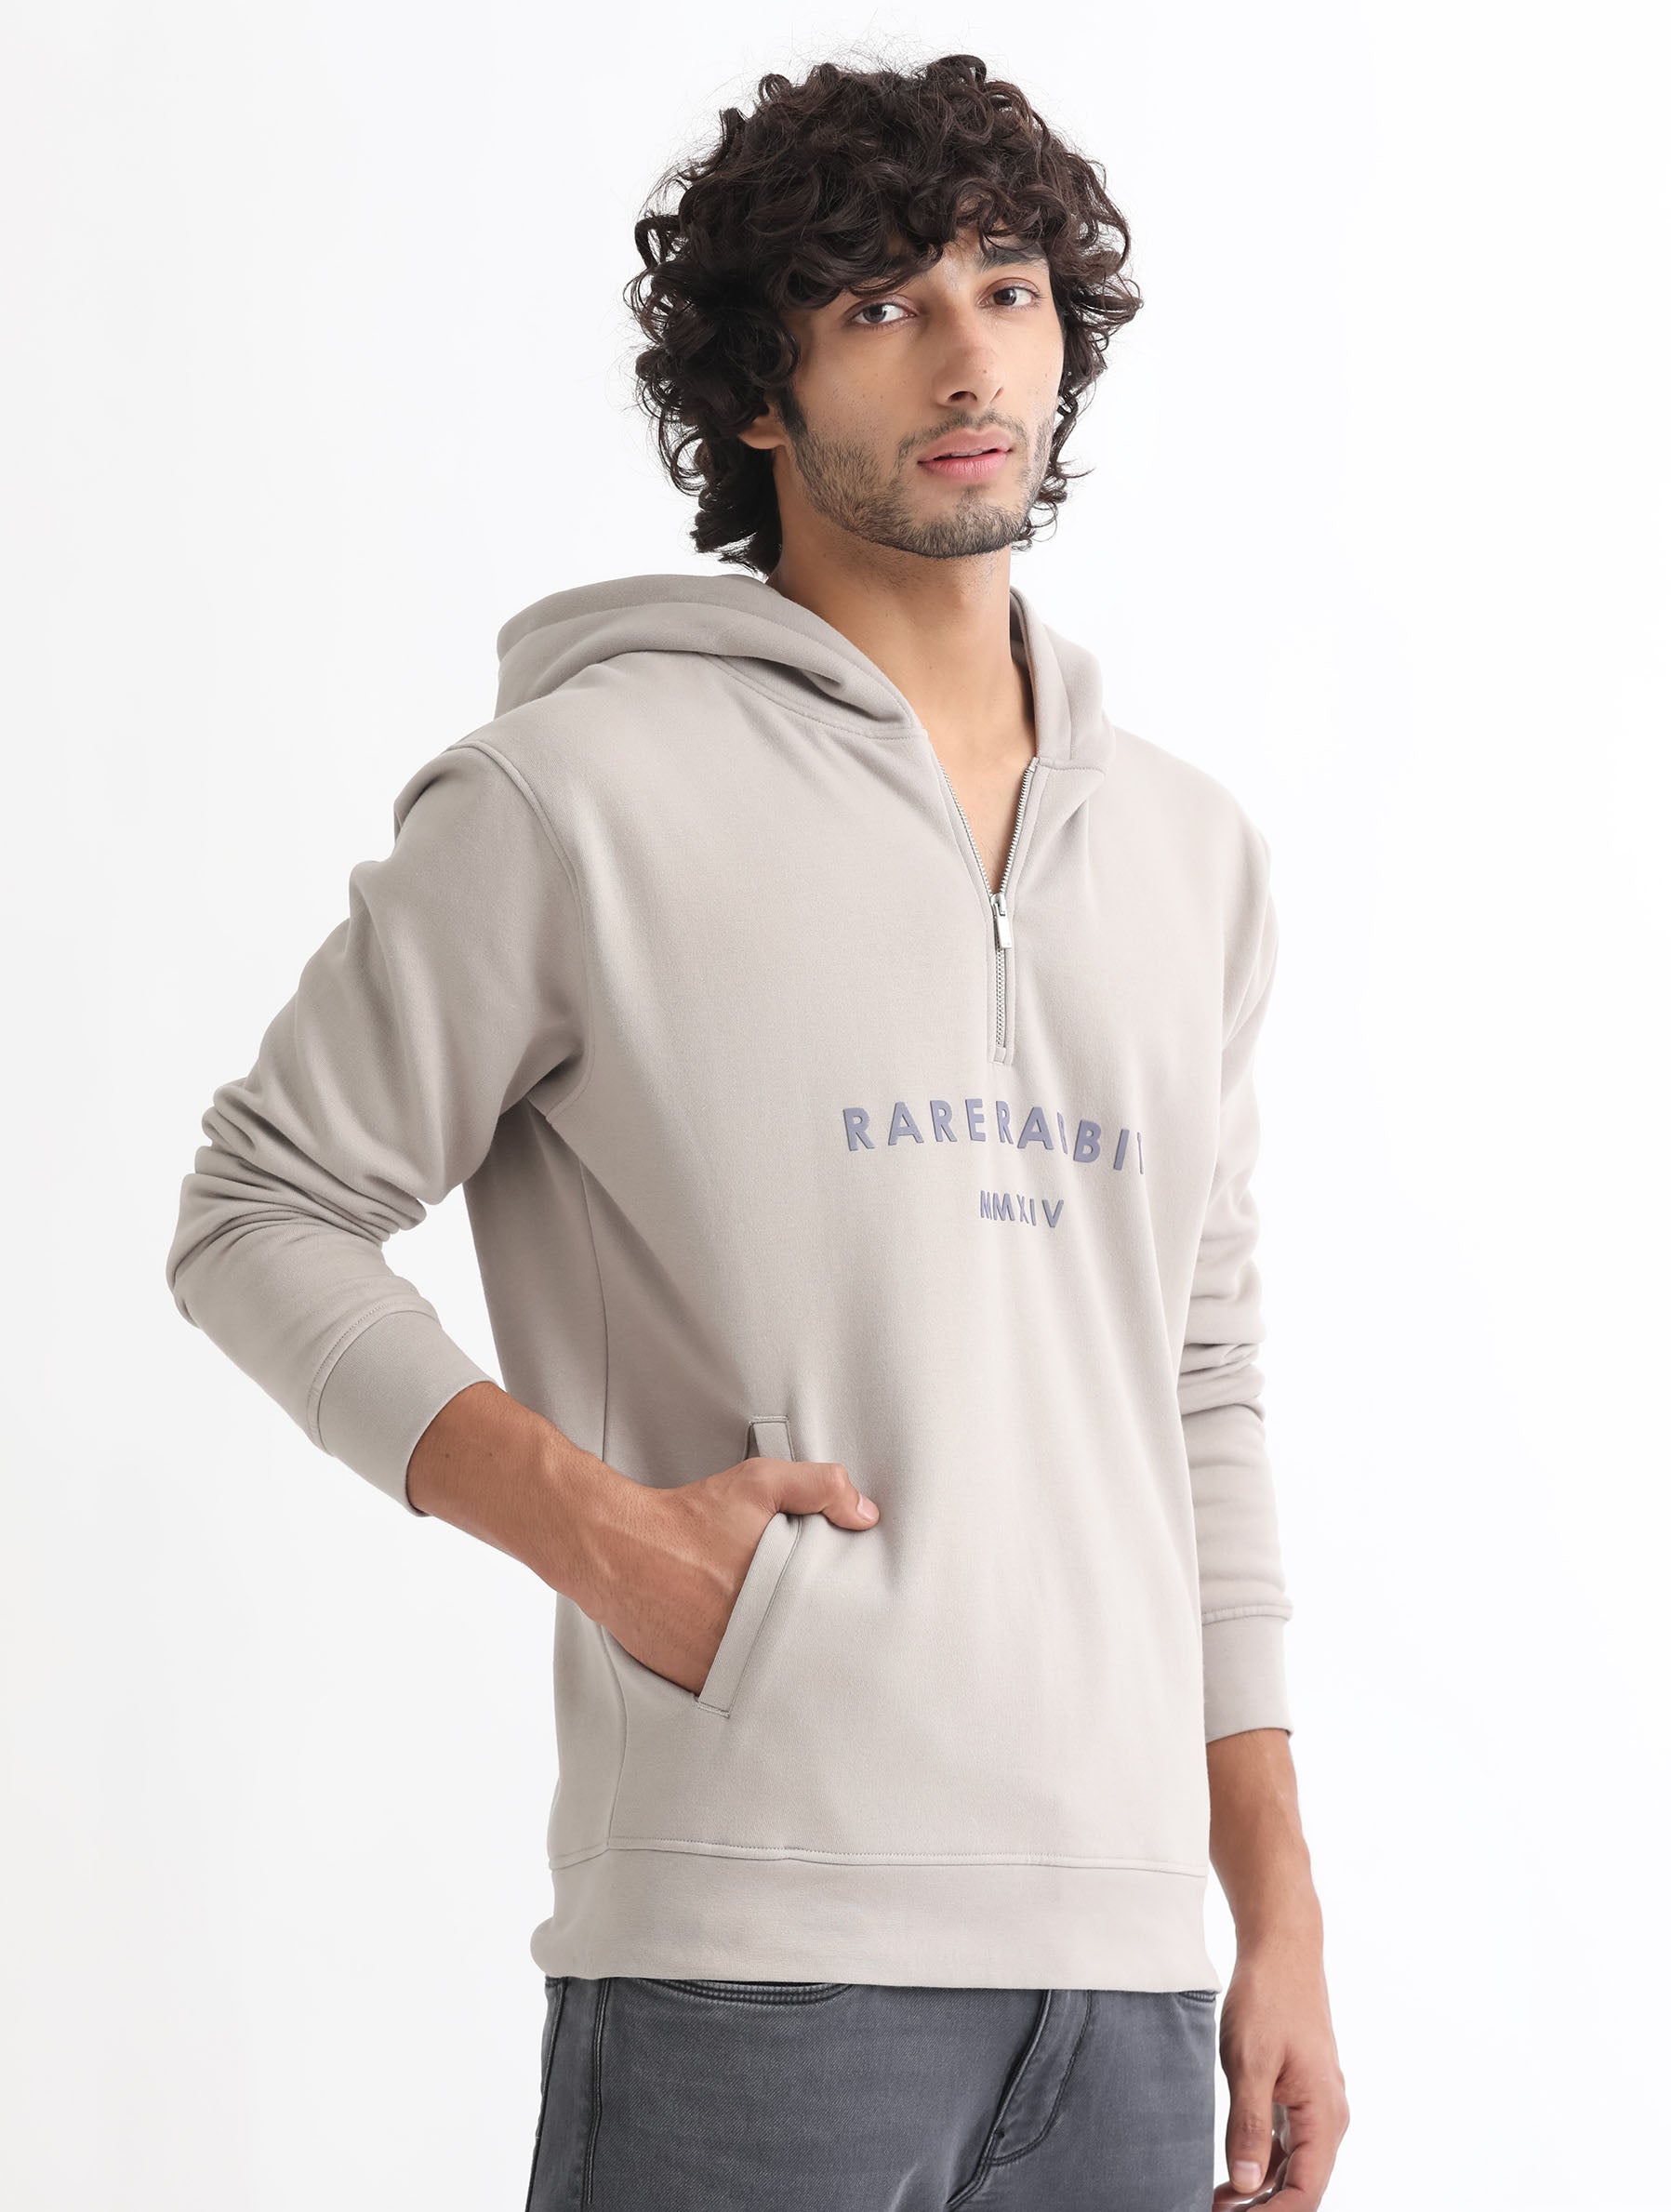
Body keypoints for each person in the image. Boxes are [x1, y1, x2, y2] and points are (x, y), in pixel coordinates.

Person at [166, 49, 1348, 2212]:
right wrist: (600, 1530)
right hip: (751, 1955)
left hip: (1127, 1983)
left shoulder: (1192, 857)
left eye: (1006, 287)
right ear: (761, 399)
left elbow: (1200, 1380)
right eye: (880, 305)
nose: (969, 356)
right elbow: (261, 1207)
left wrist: (1273, 1902)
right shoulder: (577, 795)